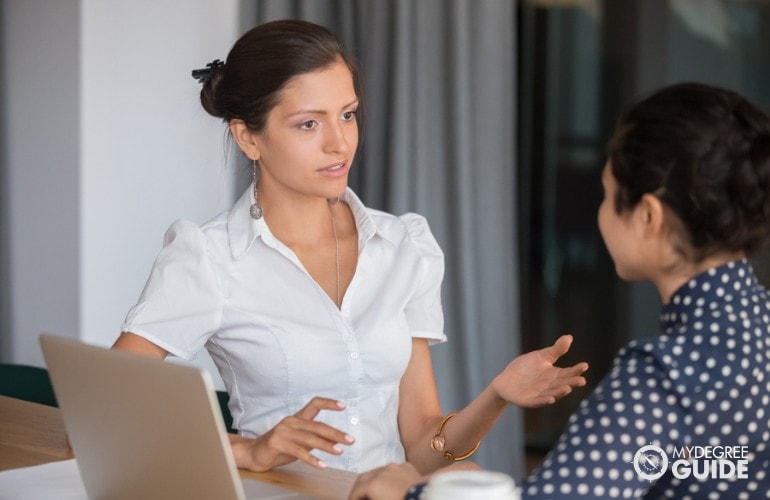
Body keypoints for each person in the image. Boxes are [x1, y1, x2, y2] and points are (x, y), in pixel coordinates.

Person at [112, 19, 588, 475]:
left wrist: (496, 397)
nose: (340, 144)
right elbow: (99, 418)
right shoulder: (209, 258)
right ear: (247, 137)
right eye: (308, 124)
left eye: (347, 114)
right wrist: (246, 450)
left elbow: (423, 446)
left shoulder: (402, 246)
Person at [348, 82, 770, 498]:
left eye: (606, 194)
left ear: (647, 216)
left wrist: (413, 492)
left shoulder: (666, 375)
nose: (601, 212)